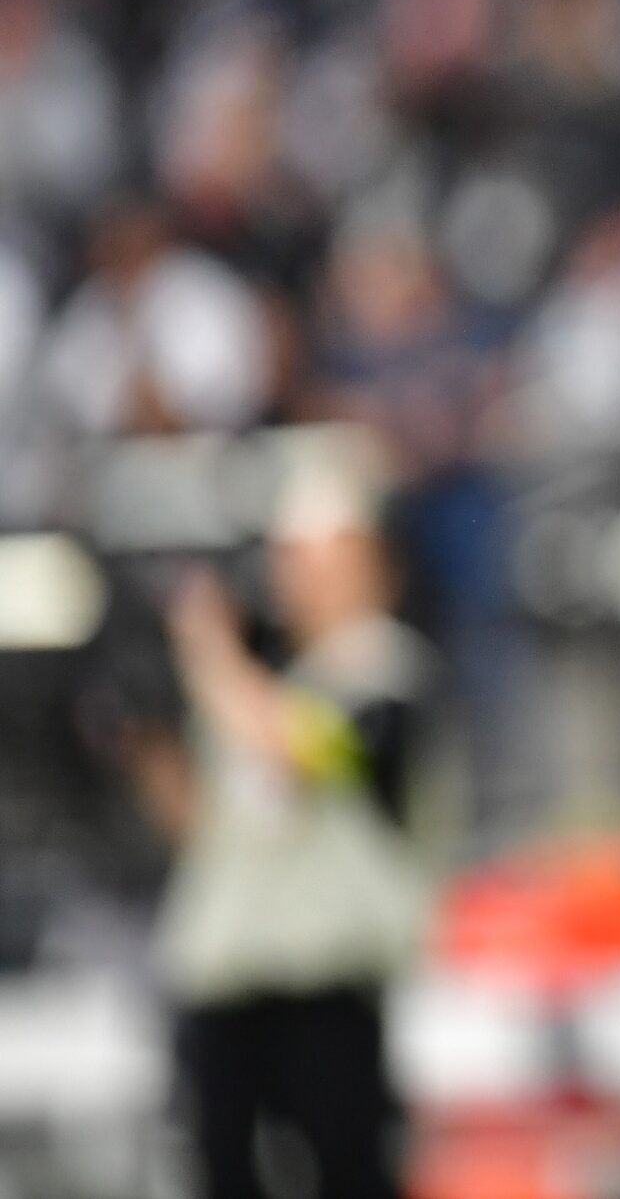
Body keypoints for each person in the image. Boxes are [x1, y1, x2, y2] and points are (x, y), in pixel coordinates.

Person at [152, 466, 441, 1199]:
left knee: (349, 1169)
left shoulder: (387, 672)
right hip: (227, 981)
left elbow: (305, 750)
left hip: (326, 983)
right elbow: (206, 828)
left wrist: (207, 651)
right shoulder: (266, 683)